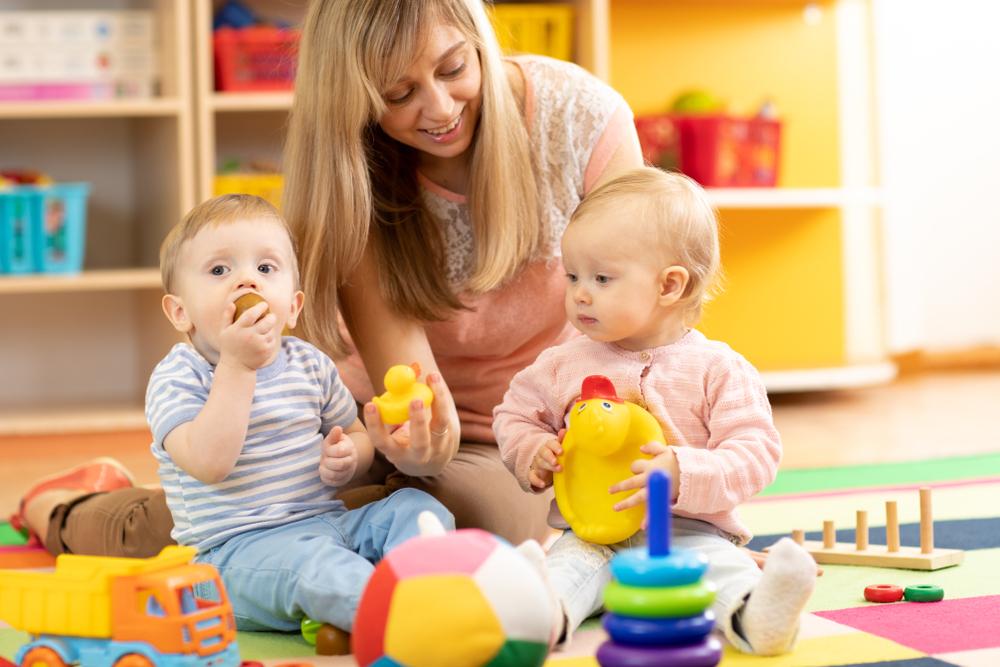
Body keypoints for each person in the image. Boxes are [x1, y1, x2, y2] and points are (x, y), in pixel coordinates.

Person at [12, 0, 645, 556]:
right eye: (398, 95)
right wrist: (415, 444)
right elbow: (419, 401)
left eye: (454, 67)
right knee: (429, 521)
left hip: (550, 417)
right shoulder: (357, 179)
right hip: (388, 435)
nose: (441, 107)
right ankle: (66, 509)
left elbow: (641, 314)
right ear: (357, 103)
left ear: (478, 36)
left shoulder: (579, 117)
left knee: (410, 520)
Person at [493, 167, 817, 656]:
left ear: (669, 286)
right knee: (565, 572)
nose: (580, 293)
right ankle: (541, 614)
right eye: (573, 276)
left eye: (602, 278)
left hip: (690, 532)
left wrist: (681, 470)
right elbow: (513, 414)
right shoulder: (561, 363)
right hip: (591, 535)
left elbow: (756, 453)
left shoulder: (719, 369)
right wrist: (531, 449)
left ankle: (758, 616)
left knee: (721, 572)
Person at [151, 193, 454, 633]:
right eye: (220, 270)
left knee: (414, 507)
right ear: (180, 312)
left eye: (265, 268)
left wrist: (350, 455)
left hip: (326, 524)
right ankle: (407, 621)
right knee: (317, 568)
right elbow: (209, 463)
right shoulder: (180, 376)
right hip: (233, 557)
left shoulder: (308, 362)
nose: (246, 283)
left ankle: (431, 585)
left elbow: (354, 432)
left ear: (292, 306)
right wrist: (237, 366)